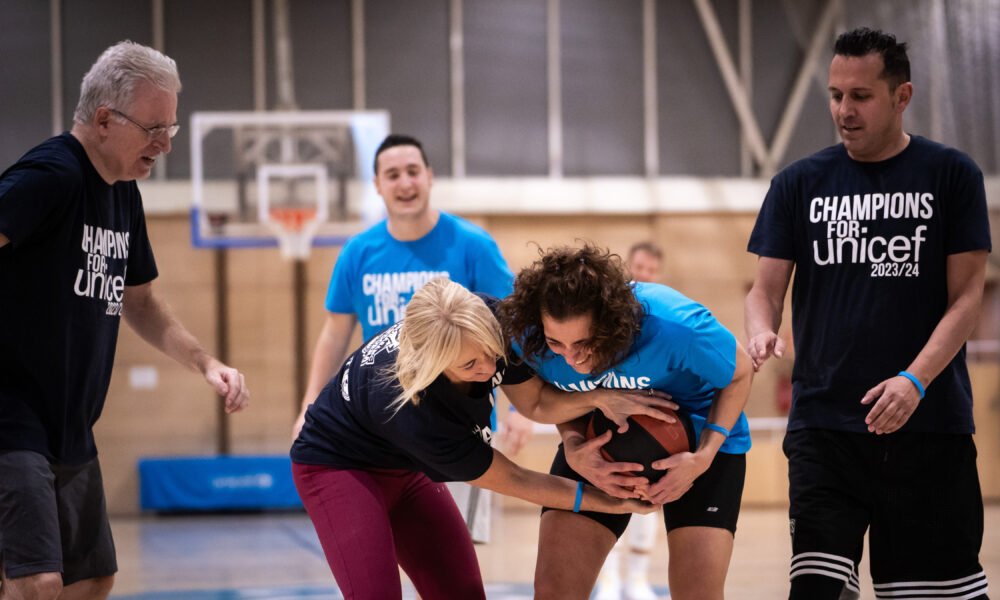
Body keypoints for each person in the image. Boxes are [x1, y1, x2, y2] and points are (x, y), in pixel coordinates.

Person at [745, 27, 991, 599]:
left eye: (861, 96)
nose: (843, 110)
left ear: (901, 96)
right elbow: (764, 291)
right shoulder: (797, 184)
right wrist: (762, 329)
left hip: (928, 427)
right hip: (824, 427)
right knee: (818, 589)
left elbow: (968, 297)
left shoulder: (952, 176)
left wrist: (915, 380)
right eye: (835, 95)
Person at [0, 41, 250, 600]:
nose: (163, 144)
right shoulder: (52, 175)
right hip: (12, 417)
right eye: (153, 128)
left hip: (71, 424)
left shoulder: (121, 195)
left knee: (92, 579)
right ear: (105, 119)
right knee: (37, 582)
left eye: (172, 129)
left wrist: (205, 362)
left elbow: (139, 302)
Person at [291, 278, 669, 600]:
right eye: (470, 365)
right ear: (433, 364)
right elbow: (517, 480)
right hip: (337, 467)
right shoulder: (408, 411)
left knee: (463, 592)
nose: (489, 369)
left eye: (490, 353)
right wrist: (606, 503)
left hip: (402, 465)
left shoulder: (493, 321)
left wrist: (599, 398)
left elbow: (535, 403)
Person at [293, 133, 533, 541]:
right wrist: (309, 404)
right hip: (382, 431)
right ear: (377, 185)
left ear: (429, 177)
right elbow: (335, 333)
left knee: (456, 558)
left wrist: (522, 409)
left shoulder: (472, 244)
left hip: (459, 429)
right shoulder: (358, 252)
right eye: (393, 174)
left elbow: (513, 327)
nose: (404, 183)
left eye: (412, 172)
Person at [500, 243, 754, 600]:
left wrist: (704, 457)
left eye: (584, 343)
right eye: (558, 344)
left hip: (700, 443)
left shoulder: (673, 325)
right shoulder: (529, 337)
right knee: (555, 590)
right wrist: (574, 446)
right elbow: (548, 398)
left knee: (698, 593)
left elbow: (740, 374)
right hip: (598, 445)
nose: (571, 359)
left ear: (610, 321)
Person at [596, 240, 667, 600]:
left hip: (653, 423)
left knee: (648, 501)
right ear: (627, 267)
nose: (644, 275)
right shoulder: (606, 315)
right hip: (611, 420)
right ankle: (607, 580)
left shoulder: (665, 317)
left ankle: (636, 579)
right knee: (609, 497)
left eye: (651, 270)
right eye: (639, 267)